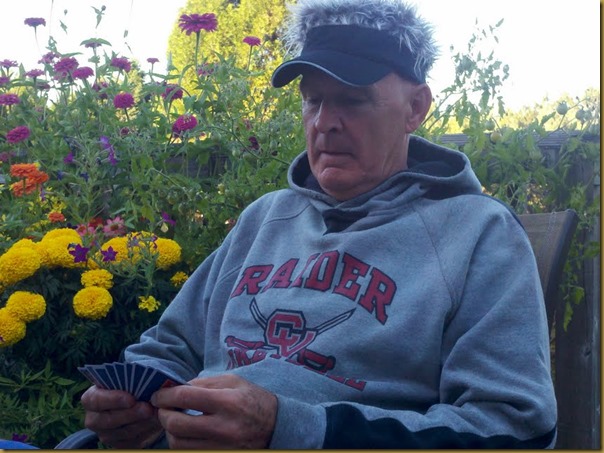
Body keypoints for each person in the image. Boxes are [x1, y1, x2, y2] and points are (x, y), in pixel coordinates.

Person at [81, 0, 557, 448]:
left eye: (352, 100)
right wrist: (130, 402)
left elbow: (514, 429)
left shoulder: (477, 233)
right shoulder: (265, 218)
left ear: (415, 108)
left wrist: (290, 428)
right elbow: (170, 347)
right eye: (313, 100)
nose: (325, 122)